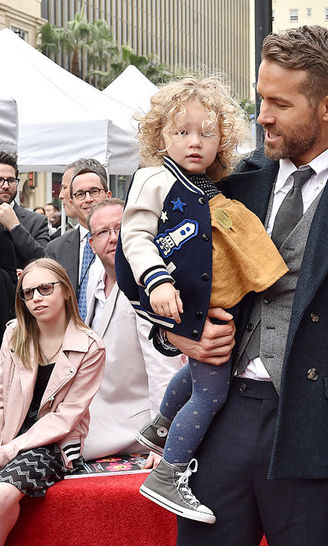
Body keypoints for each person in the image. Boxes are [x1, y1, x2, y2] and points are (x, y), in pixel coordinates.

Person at [157, 26, 328, 545]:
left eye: (279, 103)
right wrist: (176, 336)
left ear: (327, 106)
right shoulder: (231, 179)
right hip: (220, 417)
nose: (262, 116)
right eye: (260, 98)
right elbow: (174, 277)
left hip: (322, 433)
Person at [115, 75, 288, 524]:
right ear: (160, 136)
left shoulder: (209, 187)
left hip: (211, 306)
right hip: (179, 303)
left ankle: (158, 429)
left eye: (207, 133)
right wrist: (156, 282)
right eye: (182, 132)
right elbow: (133, 237)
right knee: (211, 395)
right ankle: (167, 474)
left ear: (222, 139)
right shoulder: (155, 178)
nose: (195, 142)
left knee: (198, 379)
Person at [0, 258, 105, 543]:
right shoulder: (14, 333)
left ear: (67, 291)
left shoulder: (90, 346)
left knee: (3, 494)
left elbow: (67, 416)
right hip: (9, 433)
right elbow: (1, 396)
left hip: (53, 444)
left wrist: (11, 449)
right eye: (28, 292)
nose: (36, 298)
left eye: (45, 289)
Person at [81, 199, 184, 461]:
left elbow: (163, 369)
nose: (113, 238)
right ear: (91, 244)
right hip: (93, 417)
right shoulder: (93, 279)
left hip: (131, 429)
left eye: (120, 229)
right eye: (103, 232)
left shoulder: (149, 289)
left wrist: (162, 441)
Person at [45, 159, 110, 322]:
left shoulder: (127, 240)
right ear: (72, 201)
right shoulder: (56, 249)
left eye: (94, 191)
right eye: (80, 194)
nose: (88, 199)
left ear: (108, 195)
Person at [0, 152, 49, 268]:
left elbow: (44, 262)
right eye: (0, 179)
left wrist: (15, 227)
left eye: (11, 180)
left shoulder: (37, 222)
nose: (5, 185)